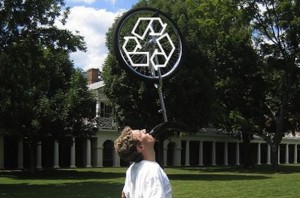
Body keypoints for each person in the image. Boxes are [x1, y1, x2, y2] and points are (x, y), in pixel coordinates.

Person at [114, 126, 172, 198]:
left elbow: (124, 195)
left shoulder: (131, 169)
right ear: (140, 147)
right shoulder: (152, 169)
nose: (144, 130)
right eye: (141, 133)